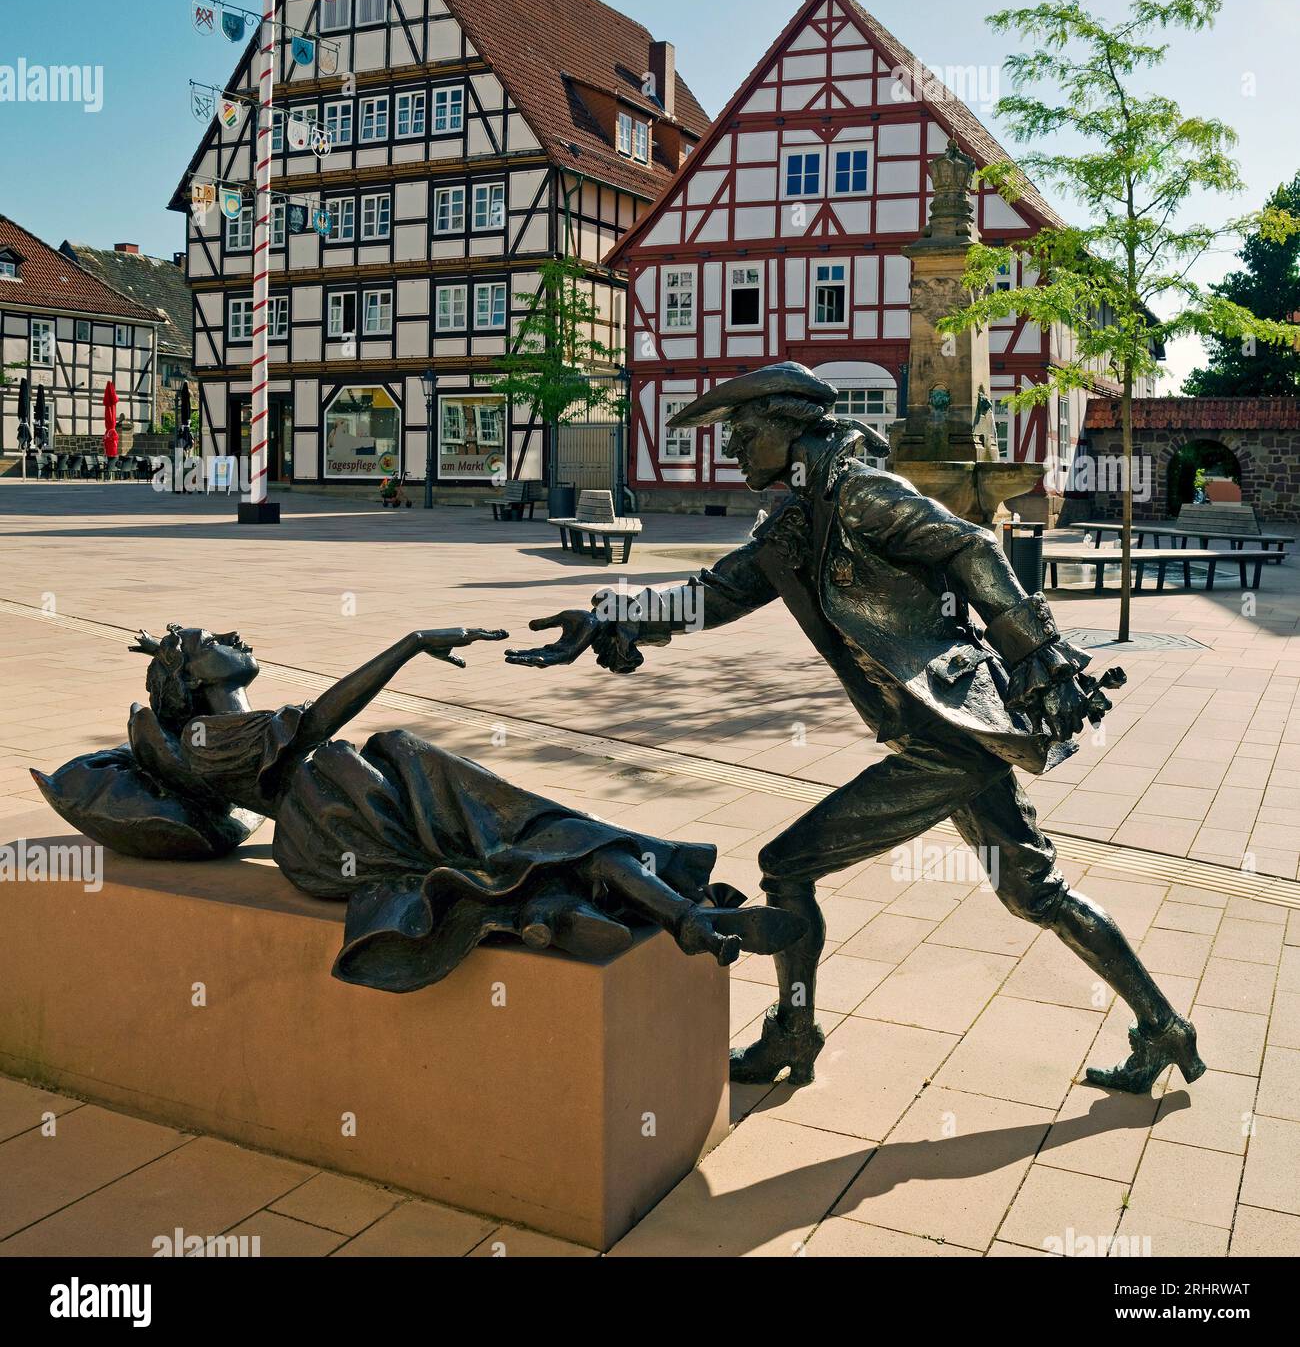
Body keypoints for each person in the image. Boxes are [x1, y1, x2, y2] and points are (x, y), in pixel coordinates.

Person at [507, 362, 1205, 1096]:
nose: (735, 448)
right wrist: (614, 613)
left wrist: (1038, 653)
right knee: (1035, 892)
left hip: (948, 738)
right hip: (947, 735)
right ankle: (1165, 1027)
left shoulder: (861, 493)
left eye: (745, 433)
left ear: (787, 425)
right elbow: (714, 594)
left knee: (787, 867)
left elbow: (972, 546)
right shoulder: (794, 520)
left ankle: (794, 1034)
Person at [34, 625, 803, 992]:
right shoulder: (205, 735)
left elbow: (315, 732)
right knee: (497, 832)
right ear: (186, 674)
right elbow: (317, 720)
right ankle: (620, 904)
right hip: (331, 827)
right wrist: (406, 647)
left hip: (353, 794)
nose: (227, 634)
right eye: (204, 639)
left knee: (519, 826)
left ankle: (678, 916)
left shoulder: (234, 728)